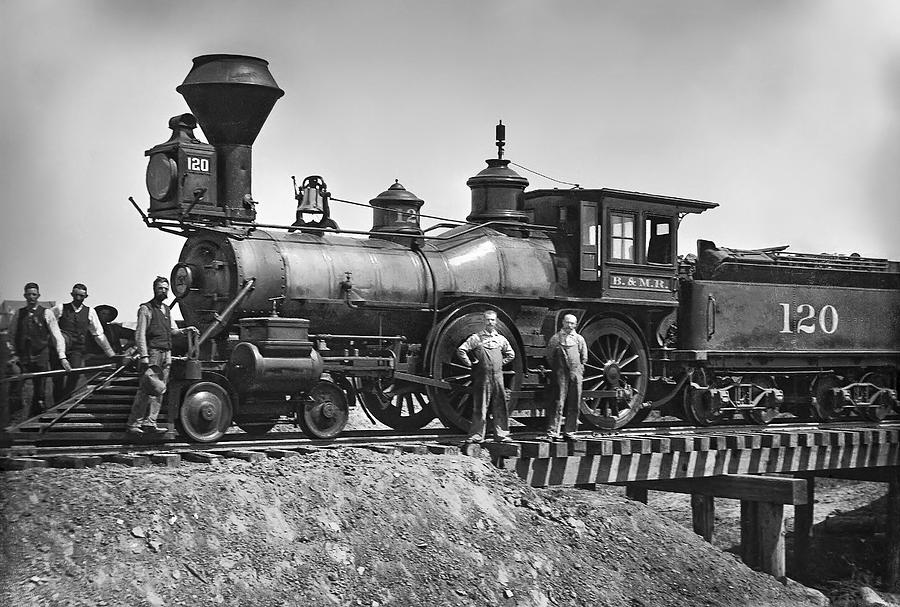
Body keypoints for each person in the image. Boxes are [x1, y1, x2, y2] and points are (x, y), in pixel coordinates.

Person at [126, 276, 199, 435]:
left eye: (166, 288)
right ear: (155, 289)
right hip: (153, 353)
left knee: (160, 389)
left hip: (166, 353)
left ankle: (150, 422)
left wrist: (186, 330)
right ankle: (133, 424)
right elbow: (140, 334)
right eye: (161, 288)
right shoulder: (146, 309)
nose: (163, 291)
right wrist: (144, 356)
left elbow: (172, 331)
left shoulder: (166, 309)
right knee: (146, 389)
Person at [6, 283, 69, 418]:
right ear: (24, 296)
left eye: (34, 294)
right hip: (22, 357)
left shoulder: (47, 313)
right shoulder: (19, 313)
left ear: (38, 296)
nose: (31, 297)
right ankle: (15, 418)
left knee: (40, 388)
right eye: (28, 294)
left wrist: (62, 356)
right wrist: (13, 354)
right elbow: (11, 335)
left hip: (41, 355)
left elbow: (56, 335)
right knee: (16, 384)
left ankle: (36, 418)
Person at [49, 283, 117, 403]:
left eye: (81, 296)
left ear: (86, 296)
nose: (78, 298)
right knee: (58, 378)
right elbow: (48, 320)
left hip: (77, 349)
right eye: (76, 295)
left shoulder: (90, 312)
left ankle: (64, 400)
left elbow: (98, 334)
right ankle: (56, 404)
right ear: (72, 295)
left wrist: (110, 353)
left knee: (75, 373)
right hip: (59, 348)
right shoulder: (60, 308)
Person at [456, 309, 516, 444]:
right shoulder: (476, 338)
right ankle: (477, 435)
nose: (490, 322)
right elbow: (461, 350)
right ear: (483, 321)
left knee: (500, 406)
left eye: (492, 320)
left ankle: (501, 434)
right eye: (488, 320)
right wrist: (470, 363)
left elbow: (511, 354)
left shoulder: (501, 339)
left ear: (496, 322)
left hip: (498, 377)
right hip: (482, 378)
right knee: (480, 407)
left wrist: (501, 363)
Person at [545, 313, 588, 441]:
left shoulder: (579, 339)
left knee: (574, 402)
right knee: (558, 401)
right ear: (563, 323)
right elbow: (550, 356)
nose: (569, 325)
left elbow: (584, 356)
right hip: (560, 373)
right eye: (567, 323)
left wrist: (578, 369)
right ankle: (553, 432)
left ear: (575, 325)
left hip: (575, 373)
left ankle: (570, 432)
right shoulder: (556, 338)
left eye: (572, 323)